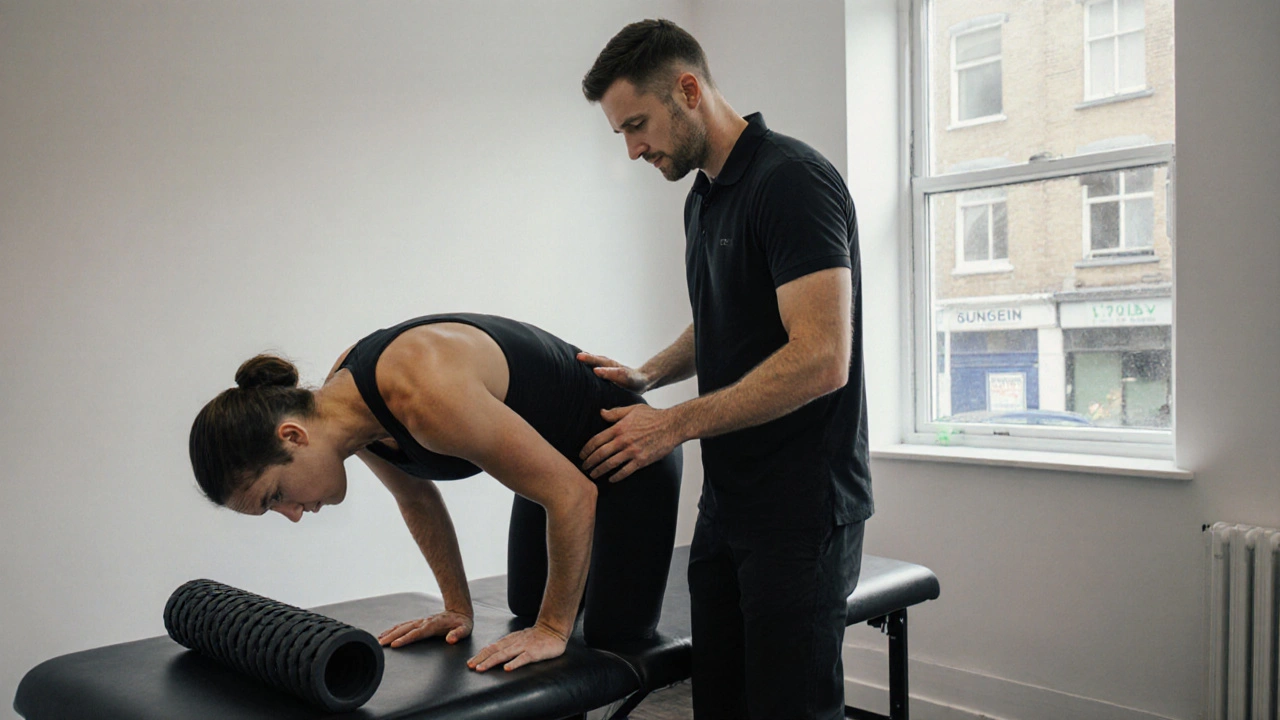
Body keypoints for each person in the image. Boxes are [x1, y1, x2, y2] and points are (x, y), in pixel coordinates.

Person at [579, 19, 873, 720]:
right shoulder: (703, 200)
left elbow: (822, 358)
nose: (631, 149)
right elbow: (726, 316)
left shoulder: (792, 182)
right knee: (721, 705)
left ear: (688, 90)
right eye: (621, 132)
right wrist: (649, 376)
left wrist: (669, 426)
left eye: (638, 125)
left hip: (802, 512)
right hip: (728, 504)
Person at [188, 313, 681, 673]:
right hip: (561, 469)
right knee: (527, 608)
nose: (292, 515)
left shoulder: (421, 394)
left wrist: (555, 631)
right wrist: (456, 607)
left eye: (275, 496)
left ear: (293, 437)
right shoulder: (345, 409)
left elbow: (571, 496)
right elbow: (416, 499)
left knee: (603, 638)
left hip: (628, 453)